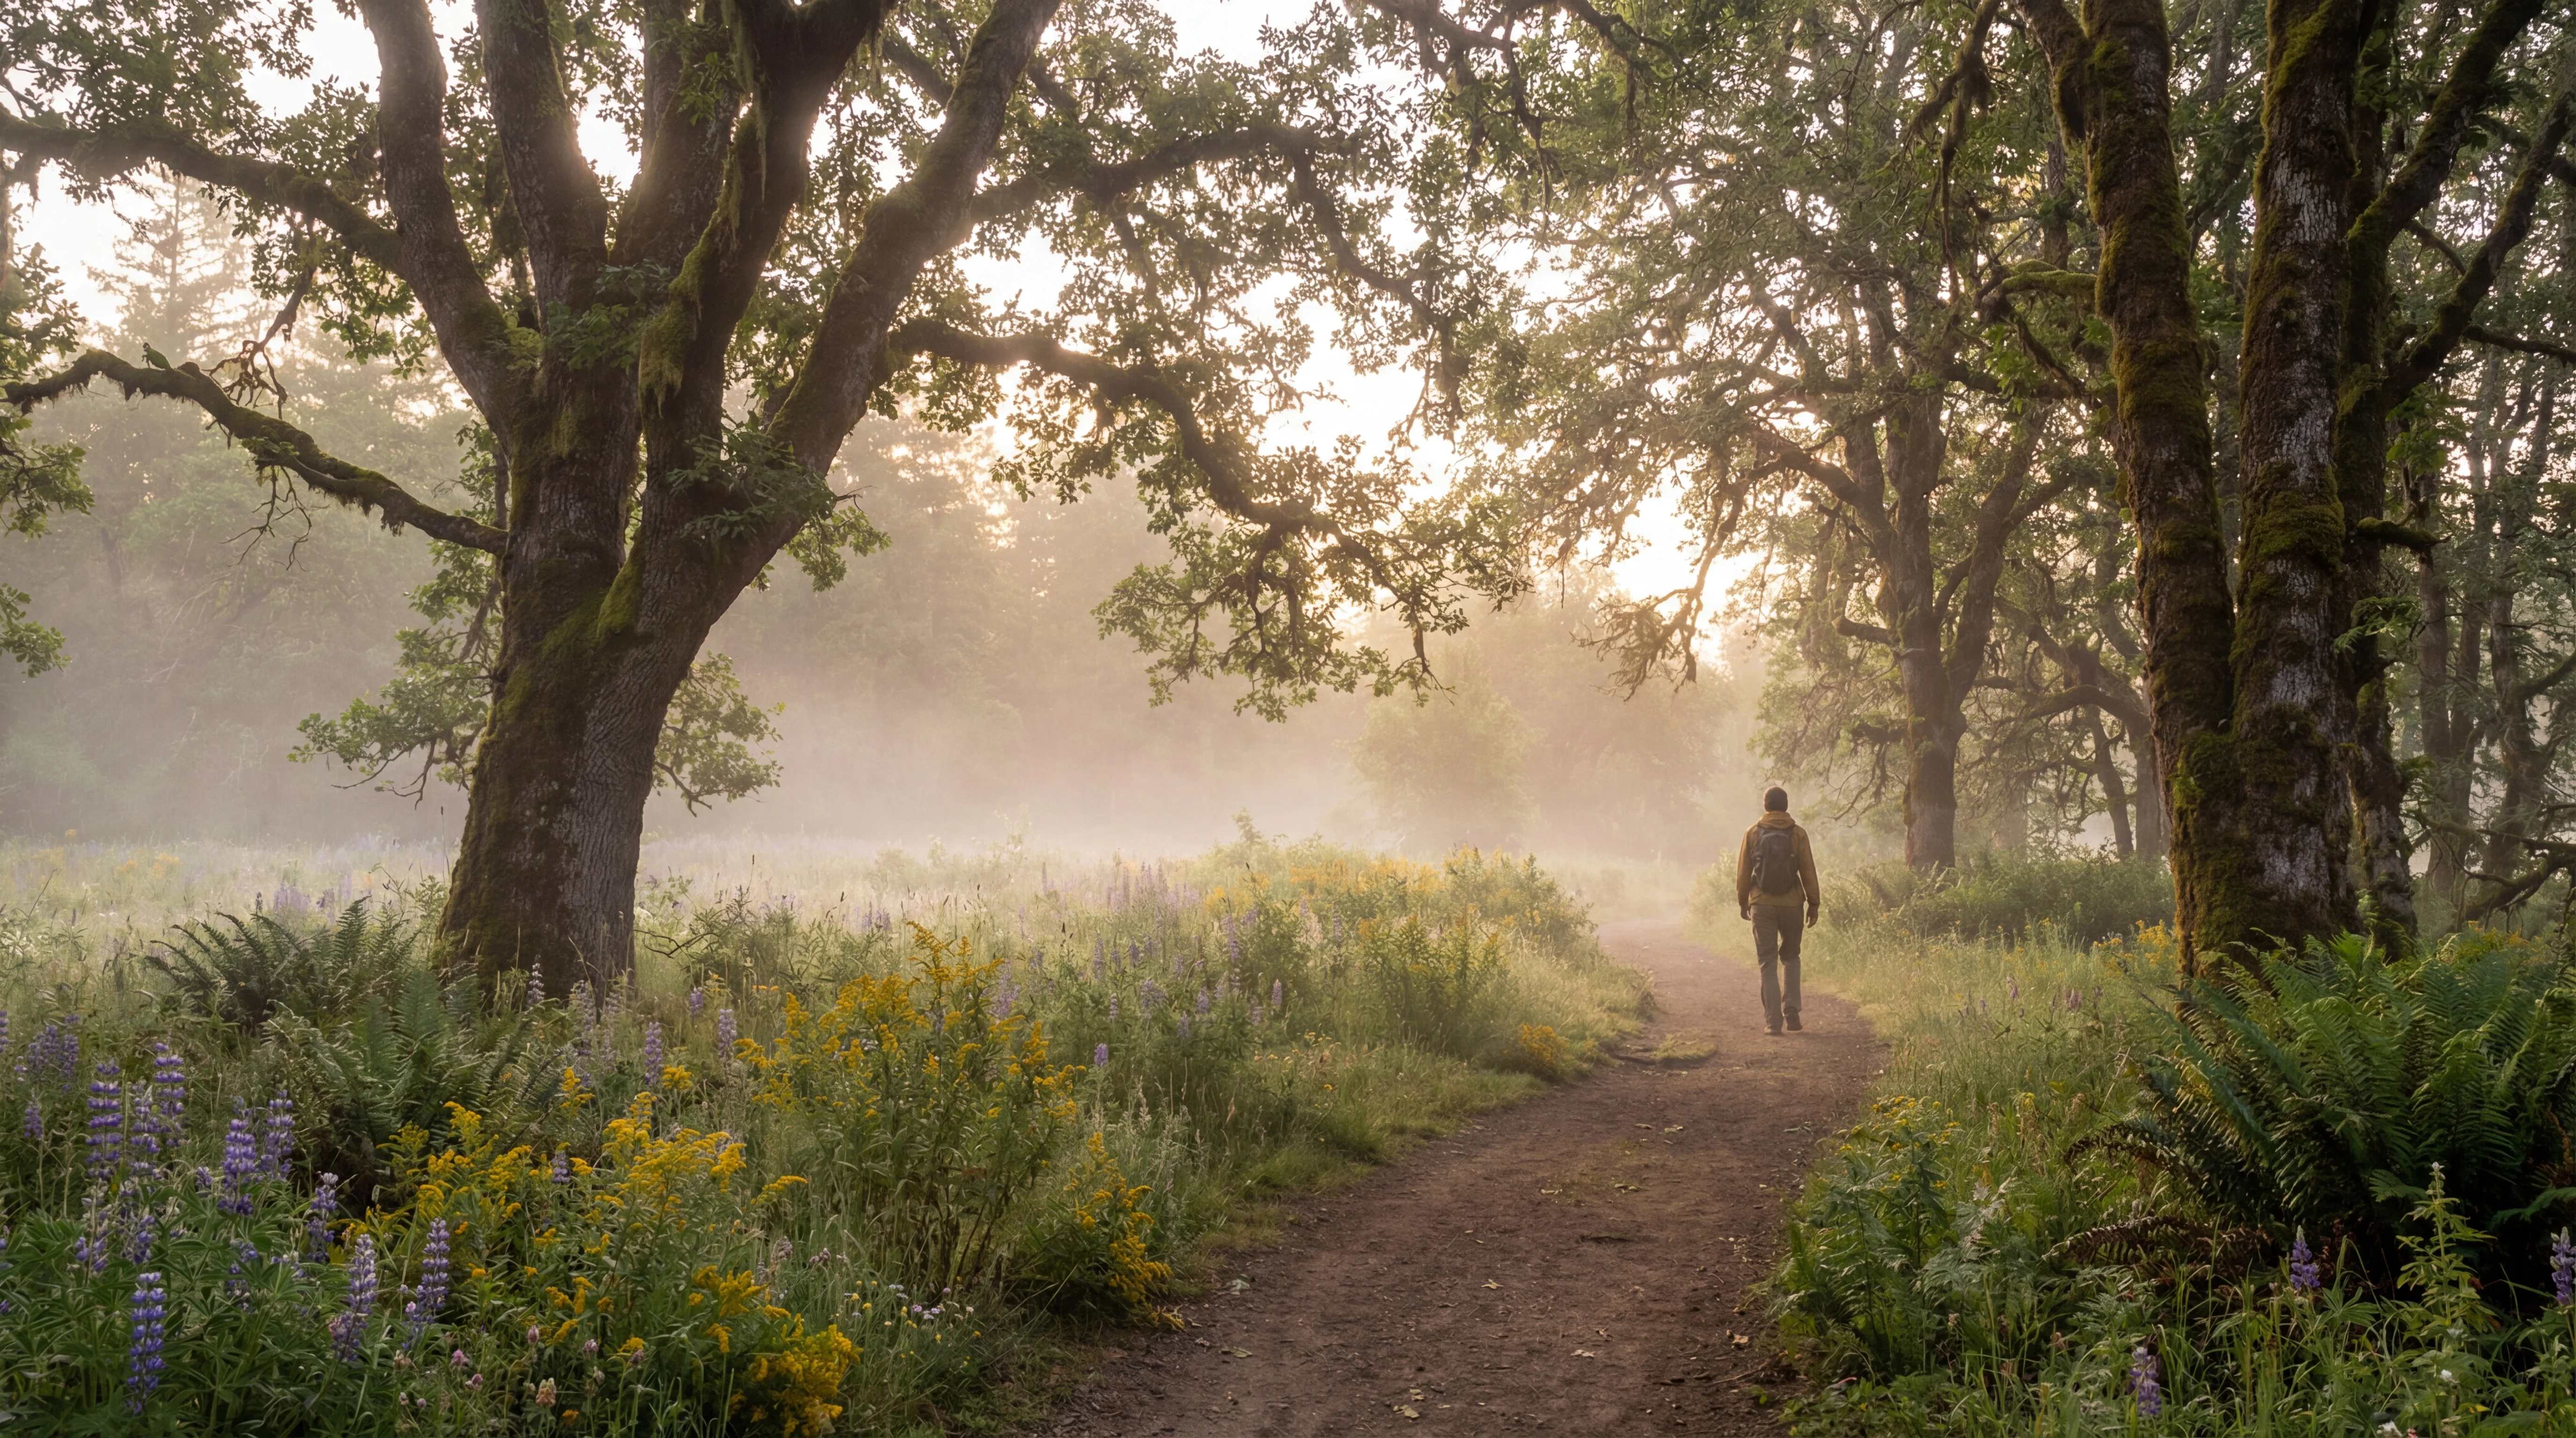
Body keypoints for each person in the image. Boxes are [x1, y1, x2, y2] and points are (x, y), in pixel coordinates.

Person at [1734, 786, 1821, 1034]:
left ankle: (1773, 1022)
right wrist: (1813, 904)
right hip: (1793, 905)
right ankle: (1791, 1009)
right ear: (1786, 806)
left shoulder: (1752, 833)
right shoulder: (1799, 834)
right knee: (1791, 958)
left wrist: (1743, 902)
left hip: (1762, 904)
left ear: (1765, 806)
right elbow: (1808, 870)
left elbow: (1743, 874)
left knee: (1768, 963)